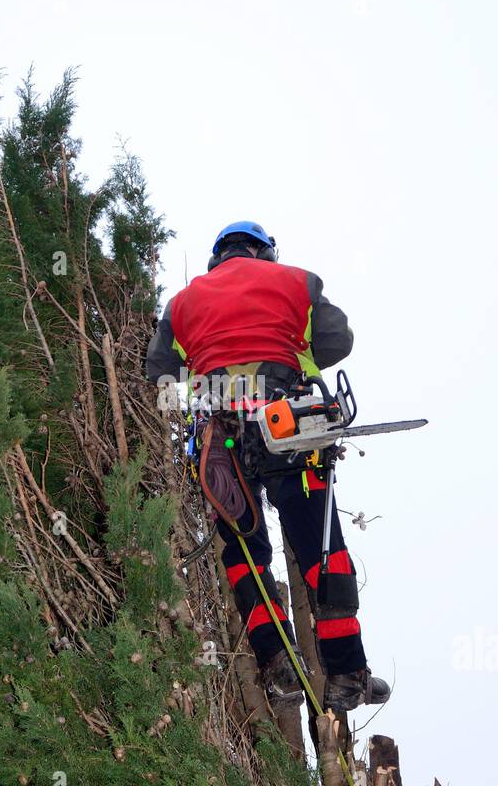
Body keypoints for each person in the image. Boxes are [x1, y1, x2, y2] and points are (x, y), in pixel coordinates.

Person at [145, 220, 389, 715]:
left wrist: (211, 378)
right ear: (266, 253)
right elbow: (337, 341)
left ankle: (278, 663)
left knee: (244, 554)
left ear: (218, 257)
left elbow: (160, 373)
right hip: (289, 427)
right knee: (322, 548)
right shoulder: (298, 282)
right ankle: (345, 673)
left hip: (221, 440)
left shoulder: (182, 304)